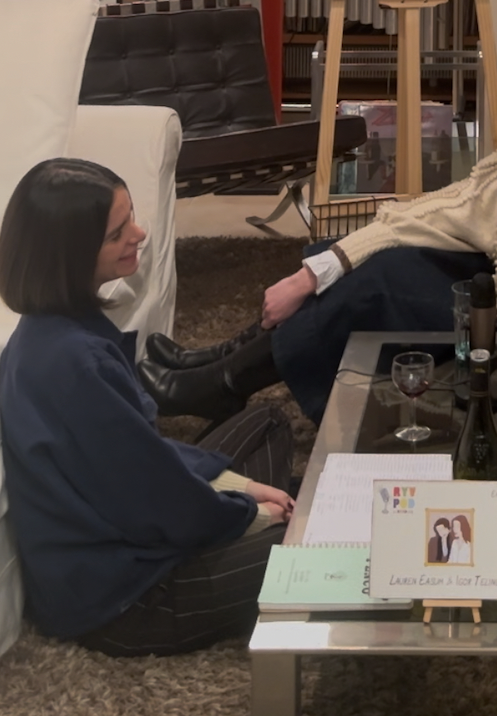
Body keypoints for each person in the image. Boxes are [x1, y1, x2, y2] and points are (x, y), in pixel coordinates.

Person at [140, 53, 497, 423]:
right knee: (378, 256)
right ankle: (223, 365)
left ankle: (227, 377)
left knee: (378, 282)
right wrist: (312, 273)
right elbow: (419, 216)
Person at [0, 159, 295, 656]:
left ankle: (261, 512)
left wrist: (241, 487)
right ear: (72, 254)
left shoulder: (50, 330)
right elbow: (150, 500)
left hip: (124, 538)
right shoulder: (76, 364)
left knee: (266, 422)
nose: (139, 234)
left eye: (131, 217)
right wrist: (251, 515)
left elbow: (143, 456)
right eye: (117, 233)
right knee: (306, 541)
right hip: (124, 597)